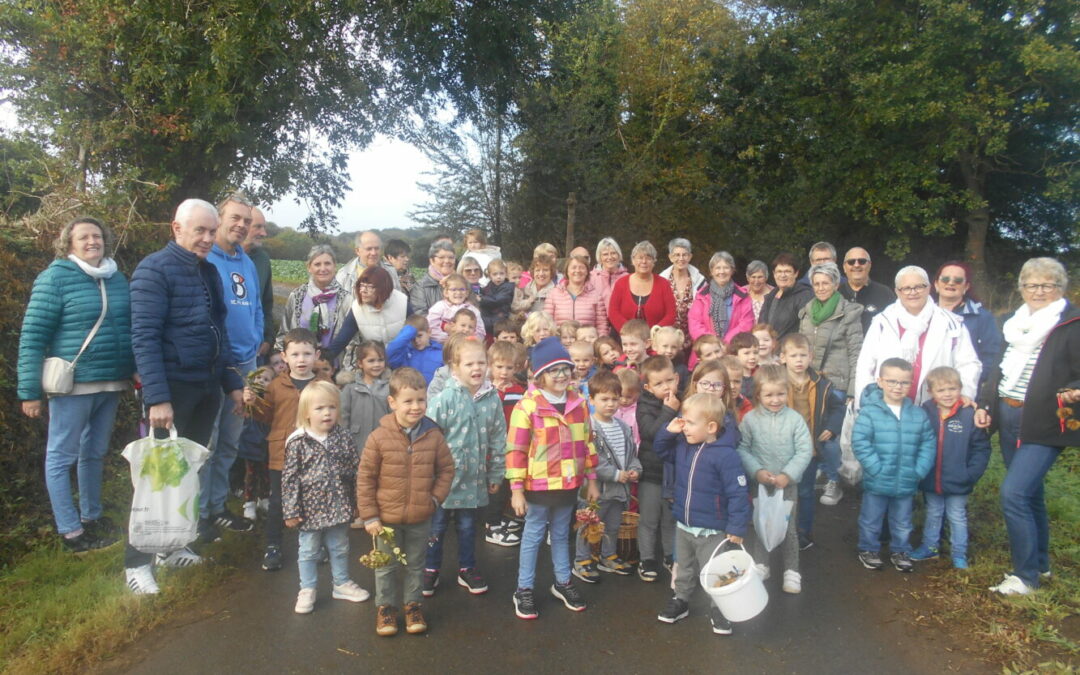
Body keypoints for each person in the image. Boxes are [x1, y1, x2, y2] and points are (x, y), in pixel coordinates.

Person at [126, 199, 245, 593]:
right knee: (156, 477)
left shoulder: (209, 271)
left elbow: (220, 331)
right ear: (176, 228)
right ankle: (137, 564)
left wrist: (232, 383)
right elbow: (143, 337)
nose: (208, 238)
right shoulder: (153, 270)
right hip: (171, 391)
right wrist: (158, 398)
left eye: (212, 231)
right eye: (200, 231)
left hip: (206, 387)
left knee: (187, 475)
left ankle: (174, 547)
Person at [18, 216, 134, 553]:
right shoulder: (55, 277)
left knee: (94, 453)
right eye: (83, 237)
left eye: (97, 236)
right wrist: (29, 392)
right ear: (69, 243)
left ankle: (91, 517)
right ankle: (70, 531)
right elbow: (33, 336)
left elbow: (129, 330)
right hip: (72, 385)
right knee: (60, 456)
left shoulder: (116, 279)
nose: (91, 242)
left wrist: (136, 370)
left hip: (110, 382)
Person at [976, 258, 1079, 595]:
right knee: (1031, 492)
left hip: (1045, 421)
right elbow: (999, 369)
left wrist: (1066, 409)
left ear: (1060, 288)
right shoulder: (1013, 322)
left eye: (1047, 285)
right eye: (1031, 285)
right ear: (1021, 288)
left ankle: (1025, 577)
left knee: (1014, 493)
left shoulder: (1072, 323)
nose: (1038, 291)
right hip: (1008, 413)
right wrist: (987, 403)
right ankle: (1041, 564)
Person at [505, 337, 600, 619]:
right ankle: (523, 589)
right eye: (553, 370)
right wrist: (517, 489)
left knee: (560, 535)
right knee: (533, 536)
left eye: (565, 368)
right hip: (537, 486)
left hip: (569, 485)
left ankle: (563, 581)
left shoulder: (579, 404)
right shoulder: (528, 407)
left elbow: (588, 443)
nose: (561, 375)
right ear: (539, 374)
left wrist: (592, 479)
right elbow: (516, 450)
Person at [356, 367, 455, 636]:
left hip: (420, 517)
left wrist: (434, 499)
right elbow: (365, 478)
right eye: (408, 401)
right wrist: (370, 516)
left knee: (416, 564)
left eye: (420, 400)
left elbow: (447, 470)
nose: (415, 406)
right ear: (392, 402)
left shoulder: (433, 436)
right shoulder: (378, 437)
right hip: (385, 519)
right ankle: (385, 609)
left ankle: (413, 606)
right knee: (386, 566)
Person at [654, 393, 749, 635]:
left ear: (711, 427)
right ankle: (681, 600)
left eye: (690, 422)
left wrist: (737, 527)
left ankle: (720, 608)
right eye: (683, 420)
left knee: (715, 571)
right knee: (684, 567)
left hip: (712, 530)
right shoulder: (683, 445)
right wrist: (670, 430)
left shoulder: (726, 456)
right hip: (684, 525)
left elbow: (738, 493)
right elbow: (660, 450)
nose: (685, 426)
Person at [423, 338, 507, 597]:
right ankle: (430, 569)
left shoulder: (491, 398)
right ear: (454, 367)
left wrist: (496, 473)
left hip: (473, 479)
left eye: (481, 362)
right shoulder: (443, 399)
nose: (477, 368)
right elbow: (428, 440)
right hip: (442, 481)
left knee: (468, 527)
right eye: (469, 363)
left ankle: (467, 568)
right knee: (436, 527)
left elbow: (498, 438)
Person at [246, 328, 332, 571]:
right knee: (279, 503)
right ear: (284, 357)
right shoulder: (275, 385)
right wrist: (253, 403)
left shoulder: (323, 383)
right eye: (295, 354)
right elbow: (265, 416)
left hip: (315, 454)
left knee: (315, 499)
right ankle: (273, 545)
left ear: (316, 355)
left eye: (306, 354)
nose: (301, 360)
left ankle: (315, 544)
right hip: (281, 455)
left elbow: (333, 415)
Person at [203, 192, 262, 535]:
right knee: (207, 443)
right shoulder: (205, 258)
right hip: (215, 367)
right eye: (235, 218)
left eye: (246, 221)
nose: (241, 226)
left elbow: (255, 308)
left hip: (246, 365)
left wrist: (254, 341)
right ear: (219, 218)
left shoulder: (246, 262)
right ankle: (199, 514)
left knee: (230, 441)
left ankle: (217, 504)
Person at [283, 381, 369, 613]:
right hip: (309, 510)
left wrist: (359, 503)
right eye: (319, 408)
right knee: (308, 550)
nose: (327, 413)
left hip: (339, 505)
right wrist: (291, 510)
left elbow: (355, 471)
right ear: (307, 413)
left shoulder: (343, 437)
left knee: (339, 546)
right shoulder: (298, 441)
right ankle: (307, 589)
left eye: (331, 407)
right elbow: (290, 479)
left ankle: (341, 583)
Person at [853, 266, 981, 407]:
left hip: (936, 408)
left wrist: (965, 394)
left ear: (929, 288)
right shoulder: (882, 322)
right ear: (897, 292)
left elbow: (968, 364)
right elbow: (865, 365)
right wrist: (865, 403)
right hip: (886, 408)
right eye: (906, 288)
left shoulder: (951, 323)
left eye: (919, 287)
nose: (912, 293)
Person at [852, 358, 936, 573]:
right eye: (892, 381)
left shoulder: (918, 414)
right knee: (871, 519)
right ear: (880, 381)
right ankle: (869, 549)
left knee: (902, 521)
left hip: (907, 479)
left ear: (911, 384)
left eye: (904, 383)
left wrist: (919, 470)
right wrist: (875, 468)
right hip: (877, 478)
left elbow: (928, 443)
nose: (898, 387)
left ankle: (901, 550)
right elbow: (860, 442)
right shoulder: (870, 412)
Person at [736, 364, 812, 594]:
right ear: (758, 394)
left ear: (787, 392)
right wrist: (757, 471)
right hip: (761, 483)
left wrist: (788, 475)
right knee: (761, 524)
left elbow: (804, 450)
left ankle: (791, 570)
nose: (775, 399)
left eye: (780, 394)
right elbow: (742, 448)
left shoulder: (795, 420)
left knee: (788, 528)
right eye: (769, 394)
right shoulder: (750, 419)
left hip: (787, 484)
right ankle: (762, 564)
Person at [909, 367, 991, 569]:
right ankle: (930, 548)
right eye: (941, 390)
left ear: (961, 389)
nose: (947, 394)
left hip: (959, 479)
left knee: (957, 516)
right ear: (931, 392)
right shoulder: (925, 412)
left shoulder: (968, 415)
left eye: (952, 389)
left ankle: (959, 554)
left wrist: (970, 474)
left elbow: (981, 449)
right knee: (933, 512)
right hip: (931, 478)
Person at [779, 334, 846, 548]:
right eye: (793, 355)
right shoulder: (776, 381)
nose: (798, 360)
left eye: (803, 355)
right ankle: (779, 531)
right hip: (781, 449)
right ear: (783, 358)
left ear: (811, 357)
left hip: (808, 450)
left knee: (805, 492)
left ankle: (803, 532)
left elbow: (838, 407)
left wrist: (831, 427)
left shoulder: (822, 385)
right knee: (780, 492)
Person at [573, 371, 640, 583]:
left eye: (614, 399)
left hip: (619, 490)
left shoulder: (623, 426)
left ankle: (607, 556)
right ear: (591, 399)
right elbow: (591, 458)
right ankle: (582, 560)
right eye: (604, 399)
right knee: (589, 525)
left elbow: (631, 454)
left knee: (613, 525)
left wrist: (635, 470)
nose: (610, 404)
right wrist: (615, 474)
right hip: (595, 489)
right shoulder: (589, 427)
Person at [636, 355, 681, 581]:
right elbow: (650, 432)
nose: (666, 387)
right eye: (659, 384)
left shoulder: (682, 400)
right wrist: (669, 411)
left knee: (670, 519)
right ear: (648, 386)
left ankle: (670, 555)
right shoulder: (644, 405)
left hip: (673, 472)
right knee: (649, 518)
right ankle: (647, 559)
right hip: (651, 472)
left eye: (669, 381)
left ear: (677, 379)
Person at [484, 341, 527, 547]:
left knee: (511, 483)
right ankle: (491, 524)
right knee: (495, 485)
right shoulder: (485, 390)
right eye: (499, 367)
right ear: (490, 366)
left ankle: (505, 517)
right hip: (493, 448)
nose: (504, 372)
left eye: (509, 368)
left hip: (513, 446)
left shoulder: (519, 390)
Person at [797, 262, 864, 396]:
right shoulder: (806, 313)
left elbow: (856, 355)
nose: (820, 288)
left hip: (837, 387)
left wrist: (852, 392)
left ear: (836, 285)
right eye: (816, 284)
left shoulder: (849, 313)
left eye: (825, 283)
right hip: (809, 384)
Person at [932, 261, 1002, 383]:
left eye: (958, 280)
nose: (951, 282)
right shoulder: (924, 316)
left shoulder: (982, 317)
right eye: (945, 279)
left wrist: (969, 383)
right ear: (937, 284)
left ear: (966, 287)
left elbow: (991, 357)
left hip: (964, 390)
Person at [322, 265, 408, 365]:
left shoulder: (402, 302)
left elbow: (417, 331)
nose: (363, 290)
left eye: (369, 287)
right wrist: (323, 358)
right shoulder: (357, 309)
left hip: (405, 361)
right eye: (361, 285)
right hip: (376, 364)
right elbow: (341, 341)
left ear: (383, 288)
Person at [278, 245, 351, 352]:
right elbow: (284, 333)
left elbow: (352, 340)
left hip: (333, 364)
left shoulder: (346, 299)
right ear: (309, 267)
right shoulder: (297, 296)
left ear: (335, 266)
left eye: (327, 263)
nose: (323, 269)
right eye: (317, 264)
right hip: (300, 362)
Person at [688, 251, 754, 363]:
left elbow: (746, 324)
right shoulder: (701, 295)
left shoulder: (743, 296)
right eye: (717, 268)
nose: (722, 272)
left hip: (733, 353)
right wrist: (715, 345)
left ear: (732, 270)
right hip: (707, 356)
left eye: (726, 268)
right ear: (711, 271)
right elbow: (694, 324)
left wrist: (726, 344)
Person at [340, 341, 390, 466]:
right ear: (360, 363)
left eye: (380, 360)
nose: (377, 364)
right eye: (371, 361)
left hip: (383, 442)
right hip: (357, 444)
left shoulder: (390, 387)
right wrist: (344, 443)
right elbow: (343, 418)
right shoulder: (350, 388)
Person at [608, 241, 676, 332]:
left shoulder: (664, 284)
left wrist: (655, 332)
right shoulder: (621, 283)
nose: (644, 261)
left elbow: (671, 314)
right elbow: (613, 312)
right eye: (640, 258)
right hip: (624, 338)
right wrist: (629, 332)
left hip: (656, 339)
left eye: (648, 258)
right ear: (633, 260)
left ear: (654, 261)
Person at [544, 255, 609, 335]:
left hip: (586, 344)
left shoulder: (596, 295)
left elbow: (602, 326)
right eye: (573, 267)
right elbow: (547, 322)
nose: (577, 270)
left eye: (581, 267)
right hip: (560, 342)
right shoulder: (553, 294)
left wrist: (599, 344)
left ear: (587, 272)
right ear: (567, 271)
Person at [660, 238, 706, 348]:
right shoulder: (662, 280)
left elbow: (705, 310)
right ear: (670, 257)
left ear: (690, 257)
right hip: (668, 340)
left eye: (684, 255)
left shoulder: (700, 281)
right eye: (677, 255)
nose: (681, 258)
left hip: (693, 339)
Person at [243, 207, 275, 359]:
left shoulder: (263, 259)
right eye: (258, 227)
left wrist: (268, 339)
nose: (263, 233)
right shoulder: (214, 257)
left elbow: (266, 304)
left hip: (257, 352)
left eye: (264, 227)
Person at [759, 252, 813, 339]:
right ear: (774, 274)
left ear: (796, 273)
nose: (782, 275)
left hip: (790, 349)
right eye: (779, 271)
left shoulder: (805, 296)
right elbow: (761, 325)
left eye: (787, 271)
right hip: (769, 349)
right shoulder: (770, 296)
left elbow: (806, 329)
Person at [839, 247, 894, 331]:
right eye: (851, 262)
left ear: (869, 265)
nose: (856, 265)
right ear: (844, 267)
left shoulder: (885, 294)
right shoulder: (836, 294)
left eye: (862, 261)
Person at [426, 273, 484, 344]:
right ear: (446, 292)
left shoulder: (473, 310)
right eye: (454, 289)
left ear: (467, 293)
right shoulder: (439, 307)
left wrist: (470, 340)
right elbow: (431, 325)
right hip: (443, 345)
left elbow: (480, 331)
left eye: (462, 289)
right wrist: (446, 338)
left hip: (466, 345)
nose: (458, 292)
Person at [336, 230, 401, 293]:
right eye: (369, 249)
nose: (373, 253)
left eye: (377, 248)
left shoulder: (390, 271)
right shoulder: (344, 275)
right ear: (357, 251)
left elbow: (398, 301)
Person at [386, 315, 443, 384]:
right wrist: (409, 331)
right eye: (412, 338)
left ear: (429, 332)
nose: (416, 340)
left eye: (419, 336)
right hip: (409, 393)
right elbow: (390, 353)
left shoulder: (441, 352)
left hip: (434, 393)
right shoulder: (404, 353)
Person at [410, 240, 457, 318]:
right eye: (441, 257)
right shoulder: (421, 287)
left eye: (451, 257)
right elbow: (421, 315)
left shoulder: (463, 283)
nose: (447, 261)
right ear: (431, 260)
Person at [590, 237, 629, 305]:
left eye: (613, 253)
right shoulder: (591, 278)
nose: (610, 257)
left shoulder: (627, 278)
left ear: (618, 255)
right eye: (605, 254)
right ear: (600, 257)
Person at [480, 259, 514, 334]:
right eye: (495, 274)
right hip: (490, 314)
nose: (498, 277)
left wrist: (481, 299)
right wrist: (478, 291)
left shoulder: (508, 287)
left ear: (506, 274)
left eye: (501, 274)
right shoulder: (490, 285)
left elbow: (497, 300)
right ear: (489, 276)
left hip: (501, 315)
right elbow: (484, 292)